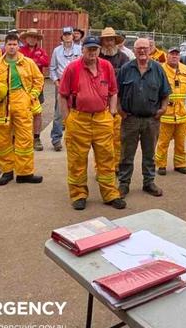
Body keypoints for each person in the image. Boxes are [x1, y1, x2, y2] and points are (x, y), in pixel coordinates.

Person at [59, 36, 124, 210]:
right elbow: (63, 95)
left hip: (102, 119)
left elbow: (113, 91)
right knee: (77, 160)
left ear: (99, 50)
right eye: (89, 49)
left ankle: (110, 194)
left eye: (95, 49)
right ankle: (78, 195)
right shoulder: (72, 68)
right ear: (83, 50)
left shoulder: (106, 66)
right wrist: (67, 119)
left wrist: (111, 113)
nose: (92, 52)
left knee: (107, 159)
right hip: (79, 119)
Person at [0, 33, 44, 186]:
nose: (12, 47)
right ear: (5, 46)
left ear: (18, 45)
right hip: (2, 105)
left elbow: (39, 79)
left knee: (25, 140)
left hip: (22, 103)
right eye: (9, 44)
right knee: (3, 140)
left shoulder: (28, 63)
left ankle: (25, 173)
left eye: (15, 44)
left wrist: (32, 95)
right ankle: (7, 172)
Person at [117, 37, 170, 199]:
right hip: (130, 119)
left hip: (151, 120)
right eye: (139, 48)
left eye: (145, 48)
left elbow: (165, 92)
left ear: (150, 49)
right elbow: (116, 93)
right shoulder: (126, 69)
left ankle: (149, 182)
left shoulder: (158, 69)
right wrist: (120, 111)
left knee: (149, 153)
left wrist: (163, 109)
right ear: (134, 50)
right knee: (127, 154)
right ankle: (124, 184)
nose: (142, 51)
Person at [155, 47, 186, 176]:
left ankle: (180, 164)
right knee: (163, 143)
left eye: (176, 54)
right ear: (167, 56)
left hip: (182, 114)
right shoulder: (160, 70)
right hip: (166, 114)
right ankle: (161, 165)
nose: (174, 56)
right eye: (172, 54)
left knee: (180, 143)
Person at [99, 27, 129, 173]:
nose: (109, 42)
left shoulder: (124, 58)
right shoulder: (95, 56)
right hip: (99, 104)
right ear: (102, 41)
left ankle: (116, 165)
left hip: (118, 102)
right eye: (106, 39)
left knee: (117, 137)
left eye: (111, 39)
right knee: (101, 140)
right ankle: (102, 168)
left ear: (115, 41)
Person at [49, 27, 82, 151]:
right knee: (59, 112)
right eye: (65, 34)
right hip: (61, 84)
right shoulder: (56, 51)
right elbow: (52, 68)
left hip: (77, 84)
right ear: (62, 36)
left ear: (73, 36)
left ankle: (75, 138)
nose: (67, 37)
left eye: (70, 34)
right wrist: (56, 81)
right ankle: (56, 139)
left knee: (76, 111)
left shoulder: (80, 49)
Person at [19, 28, 49, 151]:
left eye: (34, 37)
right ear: (26, 38)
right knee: (21, 113)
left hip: (37, 87)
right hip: (21, 87)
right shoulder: (20, 51)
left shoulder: (42, 51)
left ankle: (36, 138)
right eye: (30, 36)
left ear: (37, 39)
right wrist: (36, 62)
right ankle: (23, 138)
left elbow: (46, 62)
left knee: (37, 113)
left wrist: (29, 62)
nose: (32, 39)